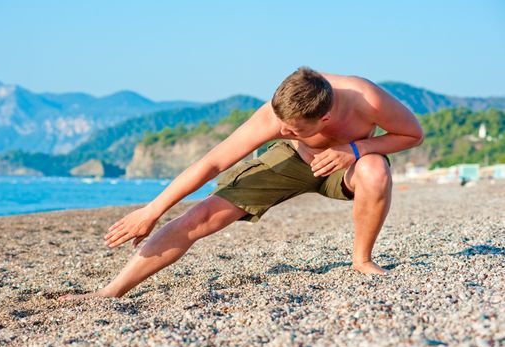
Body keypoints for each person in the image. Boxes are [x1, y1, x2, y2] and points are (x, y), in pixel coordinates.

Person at [59, 67, 424, 300]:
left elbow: (412, 134)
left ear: (325, 118)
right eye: (281, 123)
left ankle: (361, 260)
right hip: (294, 162)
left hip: (347, 167)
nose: (280, 131)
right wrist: (152, 209)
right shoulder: (277, 117)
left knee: (375, 170)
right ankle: (111, 291)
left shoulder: (367, 98)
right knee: (200, 217)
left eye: (292, 129)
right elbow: (213, 161)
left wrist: (355, 149)